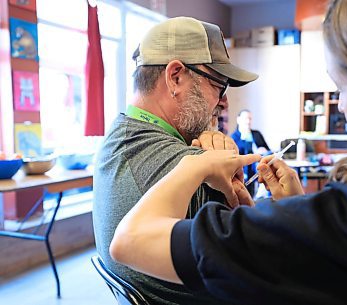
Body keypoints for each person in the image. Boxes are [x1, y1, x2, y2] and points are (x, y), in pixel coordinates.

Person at [109, 1, 347, 304]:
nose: (342, 107)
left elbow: (134, 238)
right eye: (219, 86)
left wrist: (292, 220)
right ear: (175, 76)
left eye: (341, 87)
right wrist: (297, 214)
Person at [92, 17, 258, 305]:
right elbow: (254, 256)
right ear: (176, 77)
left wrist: (210, 137)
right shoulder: (190, 168)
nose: (225, 102)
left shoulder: (119, 136)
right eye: (219, 85)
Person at [231, 109, 271, 197]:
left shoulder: (257, 134)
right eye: (245, 118)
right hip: (245, 171)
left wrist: (263, 150)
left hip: (260, 167)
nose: (248, 121)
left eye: (250, 119)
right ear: (238, 120)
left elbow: (268, 150)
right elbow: (235, 155)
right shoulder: (234, 137)